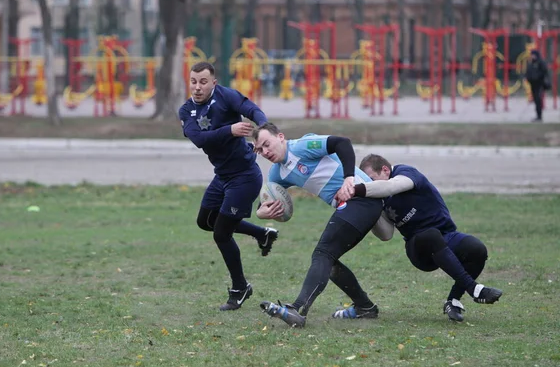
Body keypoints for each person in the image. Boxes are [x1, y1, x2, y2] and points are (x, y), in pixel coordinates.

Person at [252, 122, 382, 328]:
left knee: (322, 254)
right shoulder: (277, 173)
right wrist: (261, 213)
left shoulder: (302, 146)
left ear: (280, 137)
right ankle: (364, 306)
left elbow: (343, 143)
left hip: (363, 197)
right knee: (327, 260)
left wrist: (349, 179)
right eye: (259, 149)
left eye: (267, 144)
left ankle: (297, 309)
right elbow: (264, 201)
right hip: (350, 206)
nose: (265, 152)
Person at [354, 154, 503, 322]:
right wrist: (371, 210)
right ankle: (474, 289)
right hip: (418, 249)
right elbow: (386, 235)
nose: (371, 186)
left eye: (372, 180)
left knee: (477, 249)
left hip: (447, 237)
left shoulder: (405, 172)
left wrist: (359, 190)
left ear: (385, 170)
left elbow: (391, 187)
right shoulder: (380, 197)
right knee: (431, 235)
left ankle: (453, 301)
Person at [178, 62, 278, 311]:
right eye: (193, 81)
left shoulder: (227, 96)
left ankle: (240, 287)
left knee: (221, 233)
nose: (197, 87)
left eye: (203, 81)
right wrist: (230, 130)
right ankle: (261, 233)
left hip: (244, 176)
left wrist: (262, 132)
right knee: (205, 221)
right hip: (222, 175)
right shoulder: (186, 111)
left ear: (213, 82)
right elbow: (200, 139)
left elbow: (253, 110)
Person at [525, 49, 550, 122]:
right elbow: (528, 72)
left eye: (533, 55)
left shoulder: (541, 62)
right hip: (533, 84)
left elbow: (544, 72)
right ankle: (538, 115)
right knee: (536, 100)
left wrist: (537, 77)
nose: (532, 56)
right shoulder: (531, 63)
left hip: (539, 84)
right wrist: (527, 77)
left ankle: (539, 116)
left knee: (538, 100)